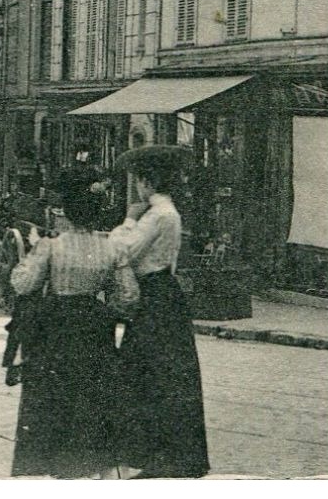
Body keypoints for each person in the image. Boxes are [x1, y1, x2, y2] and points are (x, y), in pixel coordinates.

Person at [7, 165, 139, 479]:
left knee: (53, 393)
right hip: (94, 325)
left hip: (56, 323)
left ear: (66, 212)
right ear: (97, 213)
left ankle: (49, 462)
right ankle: (87, 462)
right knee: (90, 394)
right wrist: (107, 305)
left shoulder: (52, 245)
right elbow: (129, 295)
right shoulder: (111, 248)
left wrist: (24, 255)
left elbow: (24, 285)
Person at [109, 146, 210, 479]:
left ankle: (157, 456)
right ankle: (166, 454)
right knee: (165, 374)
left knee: (145, 373)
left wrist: (126, 220)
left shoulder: (156, 215)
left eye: (139, 180)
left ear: (147, 181)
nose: (137, 187)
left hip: (154, 294)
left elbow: (125, 250)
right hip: (165, 294)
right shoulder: (169, 212)